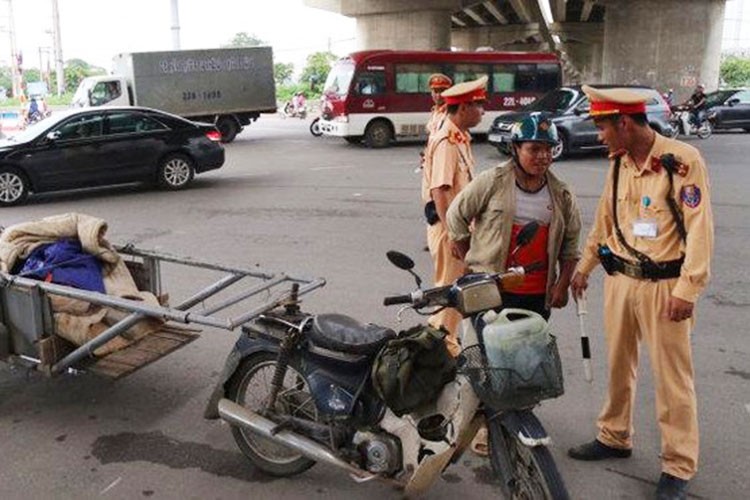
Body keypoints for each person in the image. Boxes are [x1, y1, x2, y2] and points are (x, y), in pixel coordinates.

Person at [567, 85, 714, 500]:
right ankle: (614, 435)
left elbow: (701, 230)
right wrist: (585, 266)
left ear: (625, 123)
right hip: (622, 283)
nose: (599, 136)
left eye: (602, 128)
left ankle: (678, 463)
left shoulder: (683, 161)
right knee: (618, 365)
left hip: (666, 287)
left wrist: (688, 288)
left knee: (672, 379)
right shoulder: (619, 164)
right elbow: (605, 221)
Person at [446, 112, 581, 321]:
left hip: (537, 295)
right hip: (490, 291)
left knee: (530, 351)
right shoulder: (492, 181)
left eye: (548, 149)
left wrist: (562, 285)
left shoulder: (562, 193)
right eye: (534, 149)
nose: (543, 156)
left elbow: (570, 244)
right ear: (515, 148)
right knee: (489, 351)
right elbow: (456, 215)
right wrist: (471, 262)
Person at [421, 75, 487, 357]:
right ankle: (442, 349)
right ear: (463, 108)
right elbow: (440, 190)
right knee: (450, 290)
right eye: (479, 106)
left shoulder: (459, 137)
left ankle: (442, 343)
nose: (483, 111)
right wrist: (454, 234)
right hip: (449, 229)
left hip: (458, 227)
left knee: (456, 290)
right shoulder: (447, 140)